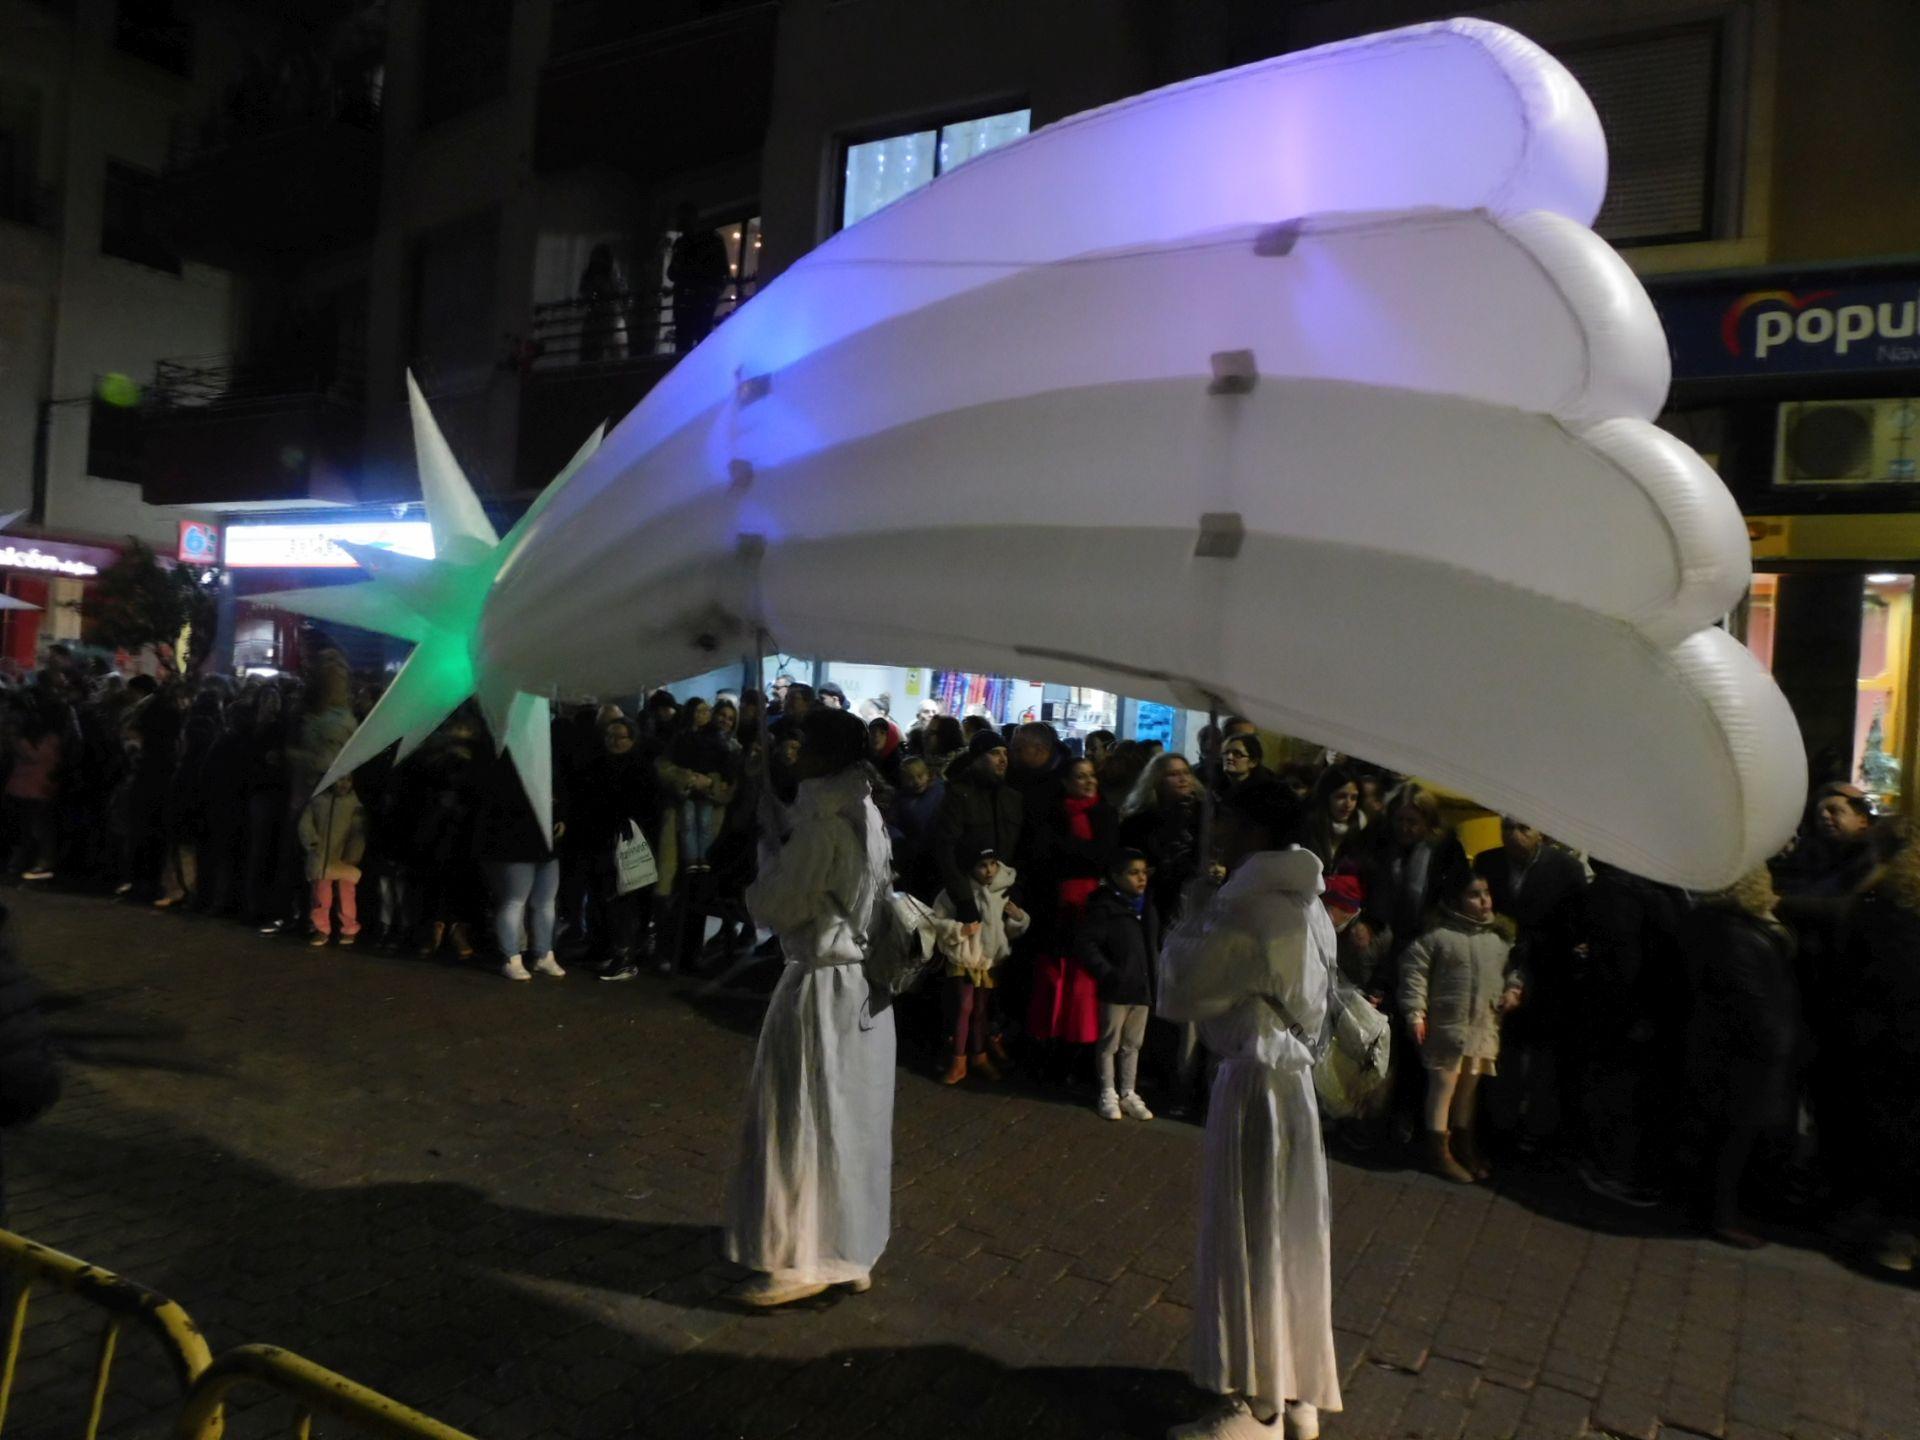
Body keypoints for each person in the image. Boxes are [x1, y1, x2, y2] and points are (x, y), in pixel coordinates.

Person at [1159, 780, 1339, 1440]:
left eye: (1231, 819)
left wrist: (1194, 915)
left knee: (1251, 1235)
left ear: (1257, 831)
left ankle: (1255, 1406)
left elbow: (1181, 990)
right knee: (1292, 1235)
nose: (1221, 831)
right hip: (1295, 1085)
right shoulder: (1308, 903)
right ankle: (1297, 1391)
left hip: (1254, 1082)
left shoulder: (1249, 908)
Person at [725, 707, 895, 1307]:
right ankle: (848, 1247)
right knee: (850, 1123)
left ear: (824, 755)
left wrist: (767, 856)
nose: (792, 754)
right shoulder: (865, 812)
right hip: (862, 987)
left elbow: (777, 904)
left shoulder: (825, 826)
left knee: (801, 1118)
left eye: (801, 745)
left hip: (821, 986)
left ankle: (802, 1257)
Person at [1681, 865, 1803, 1249]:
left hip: (1730, 1052)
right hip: (1742, 1058)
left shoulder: (1720, 923)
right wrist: (1778, 1042)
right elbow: (1752, 1002)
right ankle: (1720, 1216)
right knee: (1733, 1136)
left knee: (1729, 1134)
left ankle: (1719, 1207)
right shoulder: (1736, 934)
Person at [1399, 870, 1524, 1184]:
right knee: (1443, 1087)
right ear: (1456, 900)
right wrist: (1415, 1013)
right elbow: (1414, 974)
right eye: (1474, 895)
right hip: (1447, 1027)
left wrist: (1513, 990)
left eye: (1486, 893)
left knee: (1468, 1089)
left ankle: (1462, 1142)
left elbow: (1514, 969)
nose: (1484, 901)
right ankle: (1438, 1148)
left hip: (1482, 1026)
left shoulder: (1499, 939)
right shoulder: (1438, 937)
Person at [1472, 818, 1588, 1153]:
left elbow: (1574, 926)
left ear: (1541, 832)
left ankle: (1539, 1129)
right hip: (1498, 967)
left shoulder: (1566, 869)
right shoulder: (1488, 862)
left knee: (1542, 1059)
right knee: (1501, 1048)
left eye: (1523, 828)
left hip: (1547, 973)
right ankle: (1501, 1124)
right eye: (1507, 827)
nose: (1513, 835)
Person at [1836, 830, 1920, 1272]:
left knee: (1889, 1138)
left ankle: (1892, 1234)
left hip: (1885, 1040)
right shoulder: (1885, 911)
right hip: (1896, 1039)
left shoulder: (1878, 907)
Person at [1027, 756, 1117, 1079]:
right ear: (1066, 782)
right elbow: (1044, 856)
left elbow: (1102, 856)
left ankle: (1077, 1050)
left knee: (1082, 979)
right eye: (1081, 776)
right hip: (1057, 906)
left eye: (1092, 775)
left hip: (1088, 906)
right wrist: (1078, 851)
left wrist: (1069, 849)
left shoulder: (1104, 814)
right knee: (1056, 975)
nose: (1089, 781)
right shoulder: (1053, 814)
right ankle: (1050, 1045)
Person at [932, 846, 1030, 1084]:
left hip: (988, 959)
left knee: (981, 1010)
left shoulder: (1002, 891)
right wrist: (960, 930)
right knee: (964, 1007)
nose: (989, 870)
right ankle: (958, 1061)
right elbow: (935, 921)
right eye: (983, 865)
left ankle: (979, 1057)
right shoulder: (957, 890)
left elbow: (1007, 932)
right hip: (964, 957)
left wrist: (1019, 919)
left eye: (993, 864)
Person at [1076, 848, 1159, 1122]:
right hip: (1117, 987)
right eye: (1134, 873)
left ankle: (1128, 1091)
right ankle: (1107, 1091)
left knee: (1133, 1043)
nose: (1141, 878)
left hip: (1142, 987)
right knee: (1109, 1042)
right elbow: (1087, 944)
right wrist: (1109, 973)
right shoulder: (1105, 908)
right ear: (1116, 876)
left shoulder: (1146, 907)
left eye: (1144, 872)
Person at [475, 748, 567, 982]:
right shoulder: (503, 765)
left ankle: (542, 953)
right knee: (516, 900)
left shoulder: (542, 760)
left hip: (542, 841)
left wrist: (559, 815)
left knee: (542, 901)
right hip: (518, 841)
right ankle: (512, 957)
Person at [931, 730, 1026, 924]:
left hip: (1002, 895)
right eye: (994, 753)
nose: (1003, 759)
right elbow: (946, 850)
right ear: (977, 758)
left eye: (1005, 753)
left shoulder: (1012, 797)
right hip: (969, 893)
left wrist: (1014, 886)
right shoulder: (958, 796)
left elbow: (1019, 848)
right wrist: (964, 900)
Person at [299, 774, 366, 948]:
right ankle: (321, 929)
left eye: (348, 780)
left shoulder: (354, 805)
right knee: (321, 894)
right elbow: (305, 824)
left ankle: (349, 928)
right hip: (322, 856)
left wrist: (353, 854)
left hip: (344, 858)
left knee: (346, 894)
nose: (344, 784)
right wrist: (312, 842)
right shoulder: (318, 801)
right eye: (340, 779)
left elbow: (358, 833)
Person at [667, 202, 732, 353]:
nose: (679, 222)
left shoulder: (693, 242)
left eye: (682, 218)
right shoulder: (704, 240)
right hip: (696, 299)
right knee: (694, 339)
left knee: (688, 340)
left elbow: (672, 273)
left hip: (694, 299)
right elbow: (672, 272)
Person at [1301, 766, 1366, 880]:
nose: (1348, 804)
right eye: (1341, 796)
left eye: (1354, 798)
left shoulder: (1359, 830)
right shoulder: (1307, 827)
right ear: (1326, 797)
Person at [576, 242, 628, 363]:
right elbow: (584, 293)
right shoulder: (590, 274)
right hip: (596, 319)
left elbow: (622, 294)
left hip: (611, 319)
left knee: (615, 357)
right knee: (593, 356)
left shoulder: (615, 275)